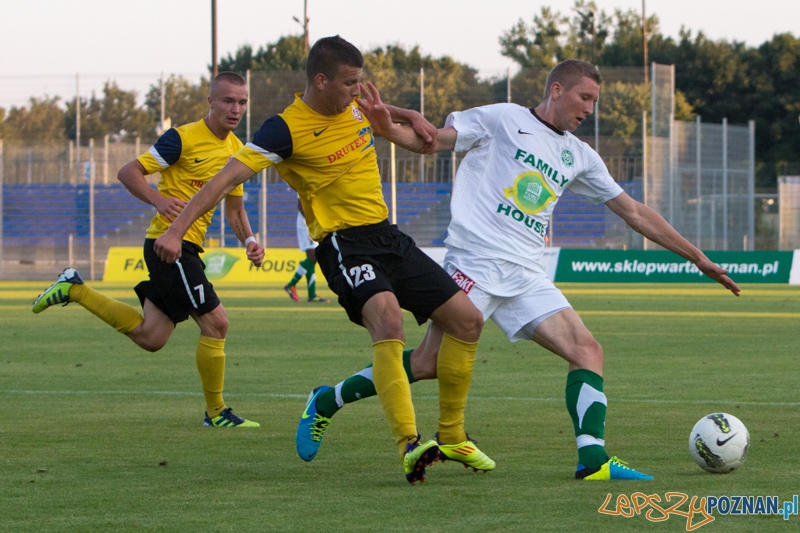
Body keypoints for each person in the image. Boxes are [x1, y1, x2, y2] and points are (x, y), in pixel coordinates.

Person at [298, 59, 742, 481]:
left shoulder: (580, 156)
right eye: (584, 97)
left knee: (587, 351)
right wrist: (390, 124)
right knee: (427, 362)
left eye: (594, 101)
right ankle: (328, 399)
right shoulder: (502, 118)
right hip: (474, 262)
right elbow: (434, 139)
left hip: (528, 273)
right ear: (556, 89)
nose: (590, 109)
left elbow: (635, 213)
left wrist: (697, 257)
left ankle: (593, 460)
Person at [151, 36, 495, 485]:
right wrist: (176, 229)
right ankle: (410, 444)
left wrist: (407, 116)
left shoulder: (356, 105)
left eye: (360, 82)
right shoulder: (284, 130)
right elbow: (222, 180)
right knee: (387, 320)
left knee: (467, 321)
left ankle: (450, 434)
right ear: (321, 80)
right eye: (351, 82)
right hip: (342, 244)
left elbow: (397, 127)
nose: (359, 90)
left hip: (388, 236)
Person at [32, 72, 264, 428]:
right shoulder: (182, 138)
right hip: (170, 244)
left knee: (151, 337)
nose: (236, 109)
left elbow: (234, 209)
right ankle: (216, 413)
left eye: (243, 102)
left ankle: (75, 289)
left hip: (186, 246)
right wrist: (158, 200)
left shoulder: (237, 152)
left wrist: (249, 240)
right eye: (229, 101)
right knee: (216, 323)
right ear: (211, 102)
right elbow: (129, 172)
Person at [283, 199, 330, 303]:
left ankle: (311, 295)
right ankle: (291, 285)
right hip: (306, 225)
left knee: (312, 259)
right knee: (313, 257)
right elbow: (300, 205)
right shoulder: (303, 183)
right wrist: (311, 221)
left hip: (313, 225)